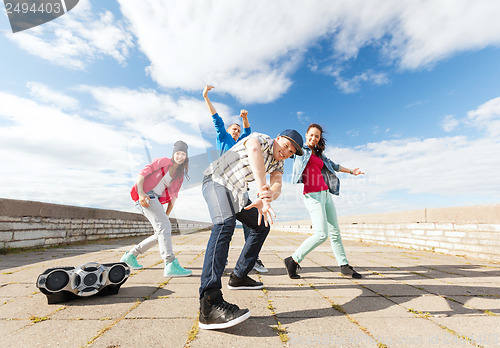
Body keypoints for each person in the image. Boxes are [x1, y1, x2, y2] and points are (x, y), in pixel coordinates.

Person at [198, 129, 304, 329]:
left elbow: (278, 185)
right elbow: (254, 149)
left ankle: (238, 276)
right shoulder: (262, 139)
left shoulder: (278, 163)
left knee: (261, 226)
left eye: (291, 152)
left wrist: (269, 196)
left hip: (237, 193)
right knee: (224, 224)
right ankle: (209, 303)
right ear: (278, 138)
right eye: (286, 145)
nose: (286, 152)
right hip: (217, 180)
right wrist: (262, 188)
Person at [283, 124, 364, 280]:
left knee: (335, 232)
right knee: (321, 234)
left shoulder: (320, 155)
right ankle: (293, 260)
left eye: (317, 136)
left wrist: (352, 171)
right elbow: (285, 150)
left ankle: (344, 265)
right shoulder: (300, 151)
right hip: (312, 195)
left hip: (326, 193)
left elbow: (334, 166)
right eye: (311, 135)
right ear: (306, 135)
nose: (314, 138)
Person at [203, 84, 268, 273]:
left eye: (238, 131)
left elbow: (250, 135)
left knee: (253, 223)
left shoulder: (242, 142)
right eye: (234, 129)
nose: (236, 132)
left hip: (239, 186)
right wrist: (206, 96)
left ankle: (252, 259)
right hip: (221, 183)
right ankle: (220, 262)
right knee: (225, 224)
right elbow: (216, 119)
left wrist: (245, 119)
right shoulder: (223, 137)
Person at [120, 140, 192, 277]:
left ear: (186, 156)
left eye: (183, 154)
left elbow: (173, 196)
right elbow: (142, 174)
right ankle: (170, 263)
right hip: (146, 196)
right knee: (164, 227)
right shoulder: (163, 161)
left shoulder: (179, 175)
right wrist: (141, 193)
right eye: (178, 153)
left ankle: (130, 256)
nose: (180, 156)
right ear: (173, 154)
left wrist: (167, 215)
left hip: (155, 200)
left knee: (161, 232)